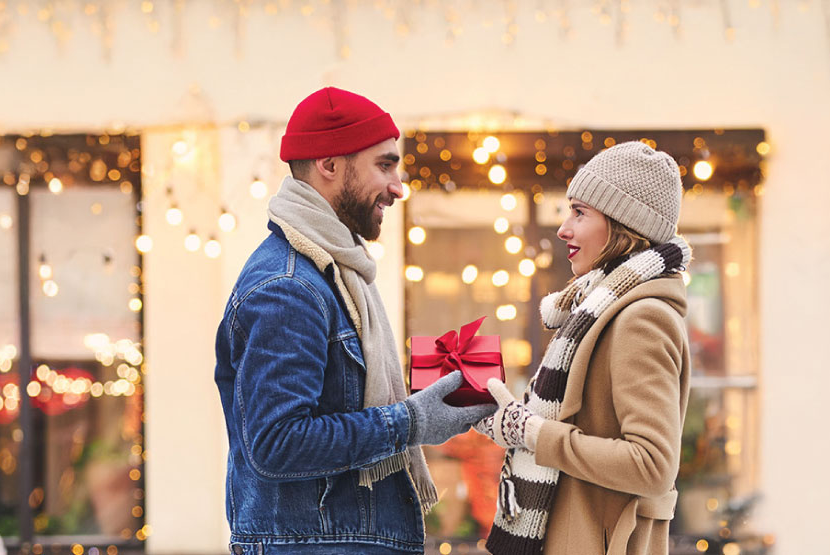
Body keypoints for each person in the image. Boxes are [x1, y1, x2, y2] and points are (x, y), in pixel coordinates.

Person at [214, 87, 495, 554]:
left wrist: (431, 396)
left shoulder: (336, 272)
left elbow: (336, 404)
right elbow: (277, 443)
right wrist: (411, 421)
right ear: (329, 164)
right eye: (384, 165)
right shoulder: (290, 287)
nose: (397, 186)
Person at [479, 141, 694, 555]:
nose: (564, 229)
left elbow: (652, 465)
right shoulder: (595, 308)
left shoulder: (641, 318)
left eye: (580, 212)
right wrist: (508, 421)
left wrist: (533, 433)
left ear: (622, 224)